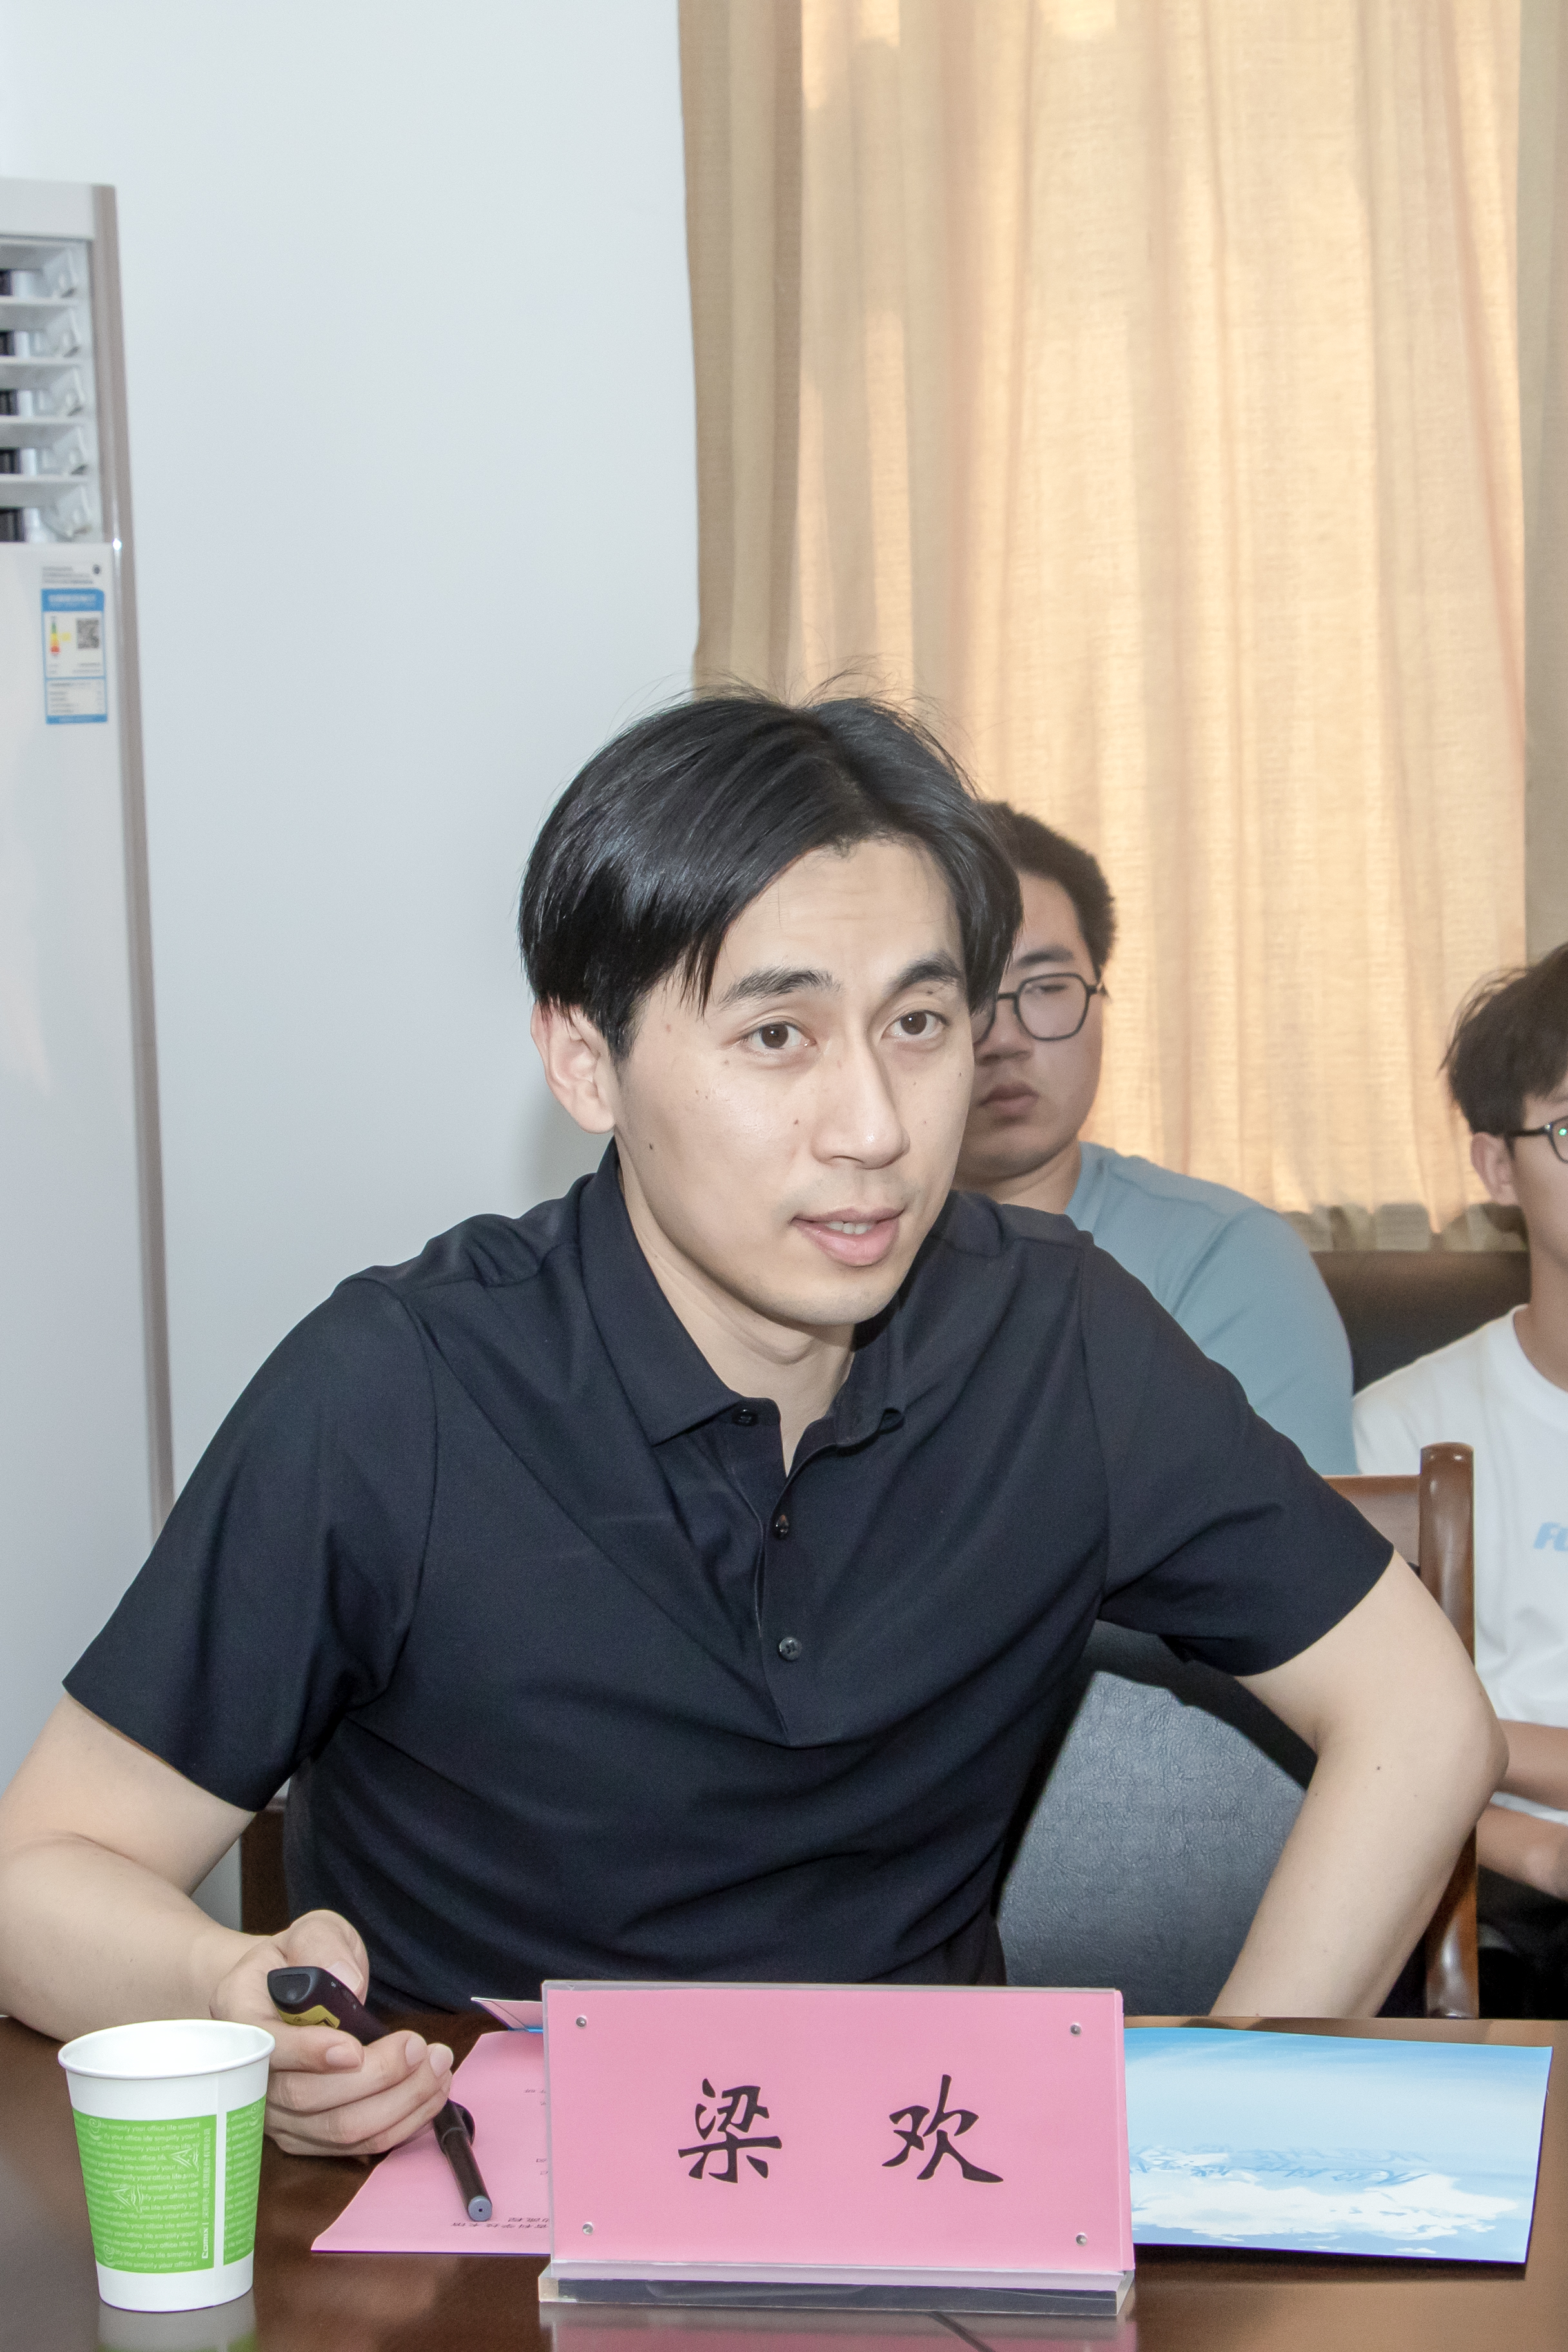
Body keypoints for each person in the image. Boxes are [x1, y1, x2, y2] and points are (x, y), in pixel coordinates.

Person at [0, 694, 1498, 2162]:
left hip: (922, 2187)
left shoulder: (1059, 1341)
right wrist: (224, 1992)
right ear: (585, 1058)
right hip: (483, 2215)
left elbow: (1418, 1712)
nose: (874, 1127)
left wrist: (1214, 2112)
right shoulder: (398, 1392)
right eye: (777, 1034)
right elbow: (42, 1875)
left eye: (919, 1024)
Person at [955, 807, 1355, 1472]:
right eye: (964, 995)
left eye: (1046, 987)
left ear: (1101, 998)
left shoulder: (1224, 1256)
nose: (1004, 1039)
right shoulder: (836, 1256)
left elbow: (1281, 1533)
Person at [1354, 944, 1568, 2005]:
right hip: (1503, 1897)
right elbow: (1364, 1744)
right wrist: (1538, 1850)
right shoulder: (1402, 1427)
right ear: (1497, 1167)